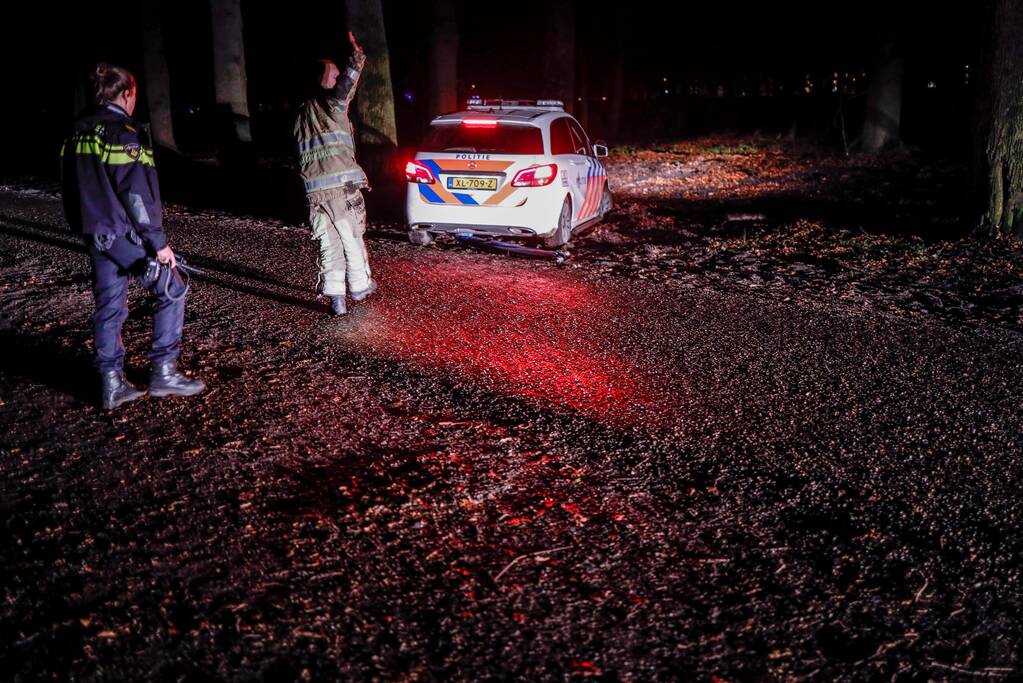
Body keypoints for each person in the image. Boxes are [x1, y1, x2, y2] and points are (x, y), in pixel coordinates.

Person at [61, 63, 205, 410]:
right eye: (134, 95)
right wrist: (157, 242)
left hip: (96, 233)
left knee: (109, 307)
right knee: (171, 288)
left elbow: (68, 186)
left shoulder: (77, 130)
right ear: (127, 93)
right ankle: (163, 373)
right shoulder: (121, 132)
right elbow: (135, 194)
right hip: (122, 232)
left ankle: (112, 385)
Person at [294, 31, 377, 316]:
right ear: (327, 80)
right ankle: (359, 286)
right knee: (351, 238)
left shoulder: (300, 114)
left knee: (328, 243)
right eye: (335, 75)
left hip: (314, 192)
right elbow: (346, 88)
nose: (338, 78)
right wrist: (357, 57)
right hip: (342, 188)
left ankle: (336, 300)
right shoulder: (332, 105)